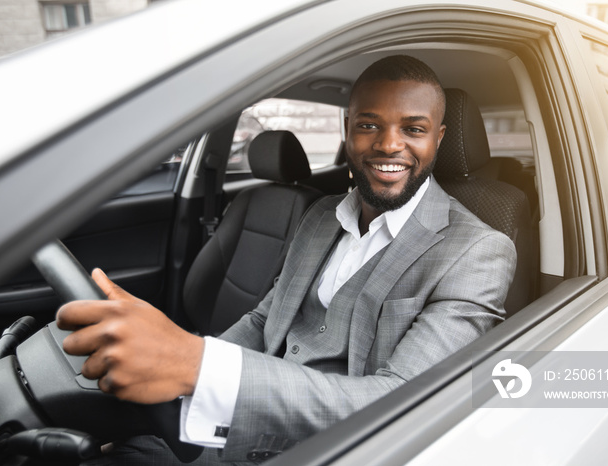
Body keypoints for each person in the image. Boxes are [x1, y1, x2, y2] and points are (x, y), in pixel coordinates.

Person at [58, 55, 517, 464]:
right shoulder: (320, 214)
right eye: (368, 124)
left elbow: (401, 403)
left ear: (437, 138)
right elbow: (264, 320)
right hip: (234, 420)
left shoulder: (477, 252)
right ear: (347, 129)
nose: (389, 145)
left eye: (413, 129)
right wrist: (181, 374)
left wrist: (196, 363)